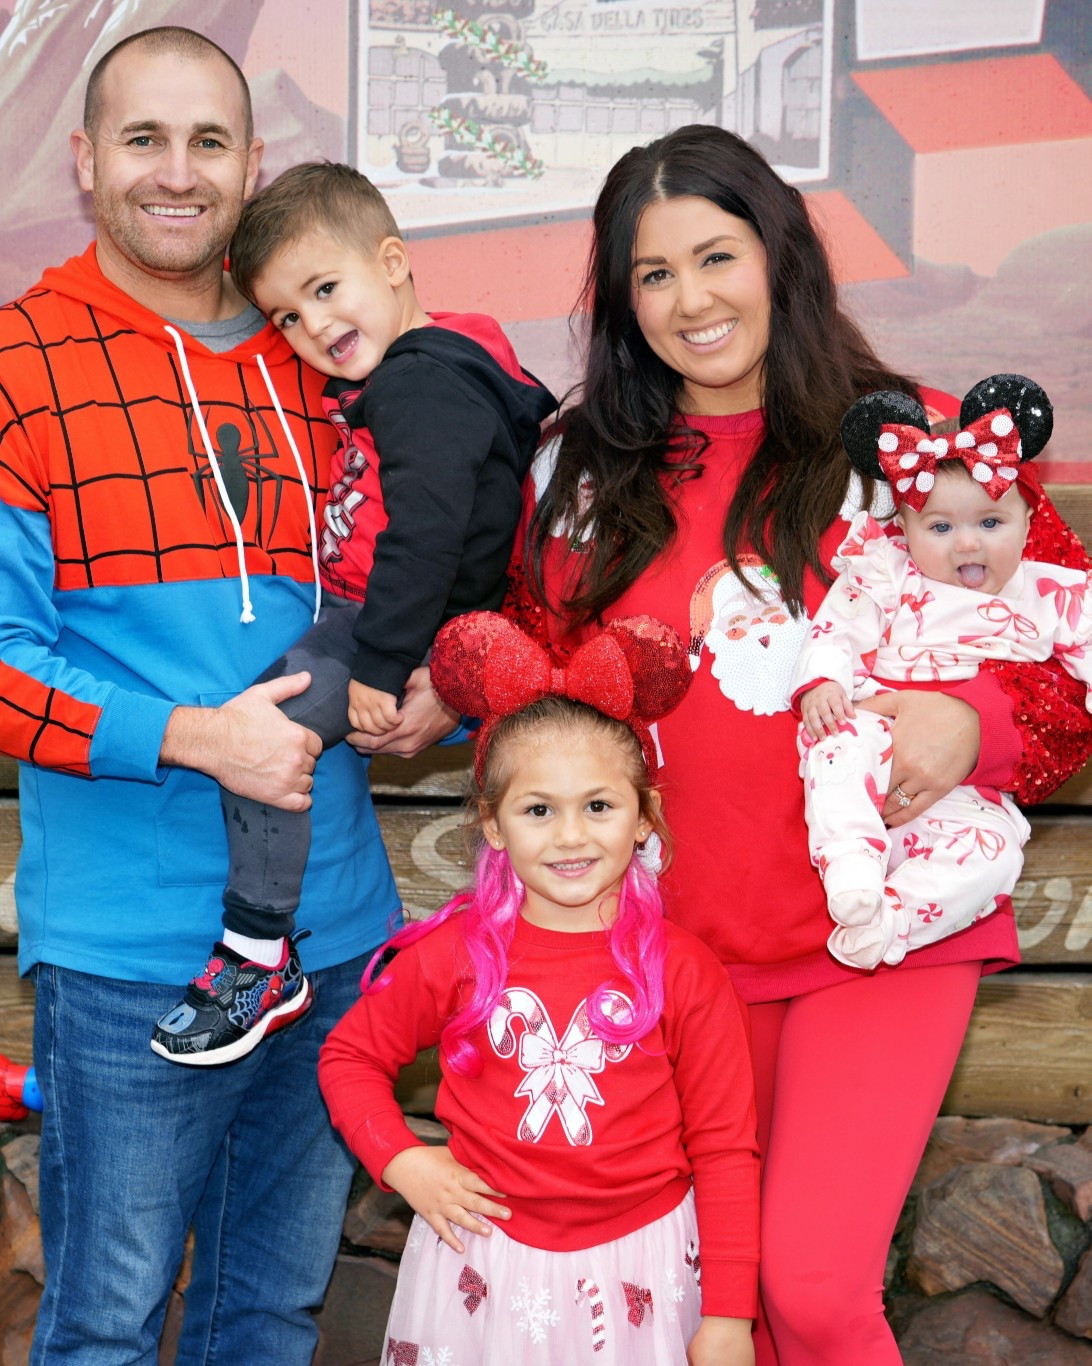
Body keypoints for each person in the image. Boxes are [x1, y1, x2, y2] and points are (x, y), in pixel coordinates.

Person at [503, 125, 1092, 1363]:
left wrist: (971, 719)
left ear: (779, 255)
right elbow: (540, 696)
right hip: (680, 950)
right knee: (733, 1309)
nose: (690, 300)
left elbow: (1071, 656)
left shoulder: (923, 442)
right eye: (652, 274)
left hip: (883, 932)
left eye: (715, 257)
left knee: (816, 1294)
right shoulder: (579, 475)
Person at [0, 26, 440, 1363]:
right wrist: (196, 738)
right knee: (108, 1326)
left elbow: (423, 576)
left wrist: (435, 698)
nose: (176, 173)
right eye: (144, 138)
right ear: (85, 161)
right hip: (136, 960)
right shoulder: (20, 368)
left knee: (271, 1314)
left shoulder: (331, 356)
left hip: (339, 940)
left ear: (254, 165)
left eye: (209, 142)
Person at [151, 162, 556, 1064]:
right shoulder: (454, 353)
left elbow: (429, 534)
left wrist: (381, 663)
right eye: (288, 315)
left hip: (386, 621)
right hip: (409, 622)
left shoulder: (419, 382)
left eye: (327, 289)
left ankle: (258, 953)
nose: (315, 326)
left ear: (394, 260)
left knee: (263, 735)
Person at [319, 611, 761, 1366]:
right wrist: (401, 1159)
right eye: (537, 811)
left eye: (598, 806)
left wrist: (729, 1316)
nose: (570, 836)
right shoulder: (453, 956)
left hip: (640, 1272)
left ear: (643, 818)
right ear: (493, 826)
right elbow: (348, 1057)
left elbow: (725, 1150)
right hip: (482, 1268)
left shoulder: (684, 971)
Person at [794, 375, 1092, 970]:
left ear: (1029, 525)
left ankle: (891, 920)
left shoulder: (1051, 592)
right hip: (879, 745)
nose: (968, 546)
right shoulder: (888, 572)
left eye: (990, 524)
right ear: (903, 531)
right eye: (940, 528)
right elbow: (840, 624)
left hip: (970, 795)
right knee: (834, 749)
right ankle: (849, 860)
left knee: (999, 858)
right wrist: (824, 679)